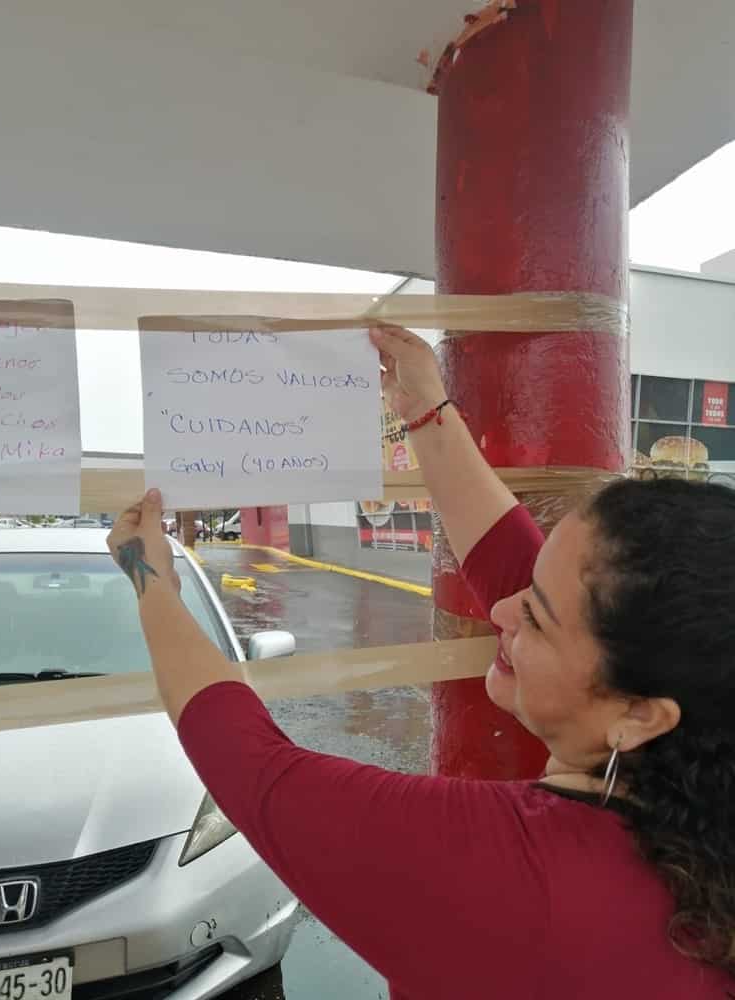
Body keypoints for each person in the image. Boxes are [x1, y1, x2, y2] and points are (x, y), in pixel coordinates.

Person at [108, 326, 735, 1000]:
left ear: (639, 714)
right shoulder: (693, 773)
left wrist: (151, 579)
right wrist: (425, 412)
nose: (500, 610)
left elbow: (252, 766)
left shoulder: (509, 877)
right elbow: (515, 564)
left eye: (537, 614)